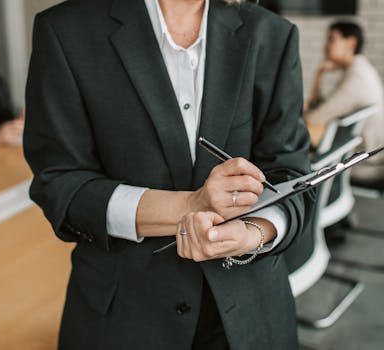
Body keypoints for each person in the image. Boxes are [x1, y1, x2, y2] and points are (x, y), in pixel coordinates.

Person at [24, 0, 314, 349]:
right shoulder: (66, 30)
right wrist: (188, 205)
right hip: (125, 318)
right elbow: (60, 184)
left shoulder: (271, 34)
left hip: (252, 317)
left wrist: (253, 232)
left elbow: (293, 175)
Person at [304, 21, 384, 182]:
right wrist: (319, 75)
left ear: (351, 42)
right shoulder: (360, 68)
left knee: (302, 160)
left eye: (331, 39)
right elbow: (322, 107)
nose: (325, 45)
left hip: (369, 166)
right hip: (373, 159)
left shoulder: (356, 77)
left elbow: (313, 118)